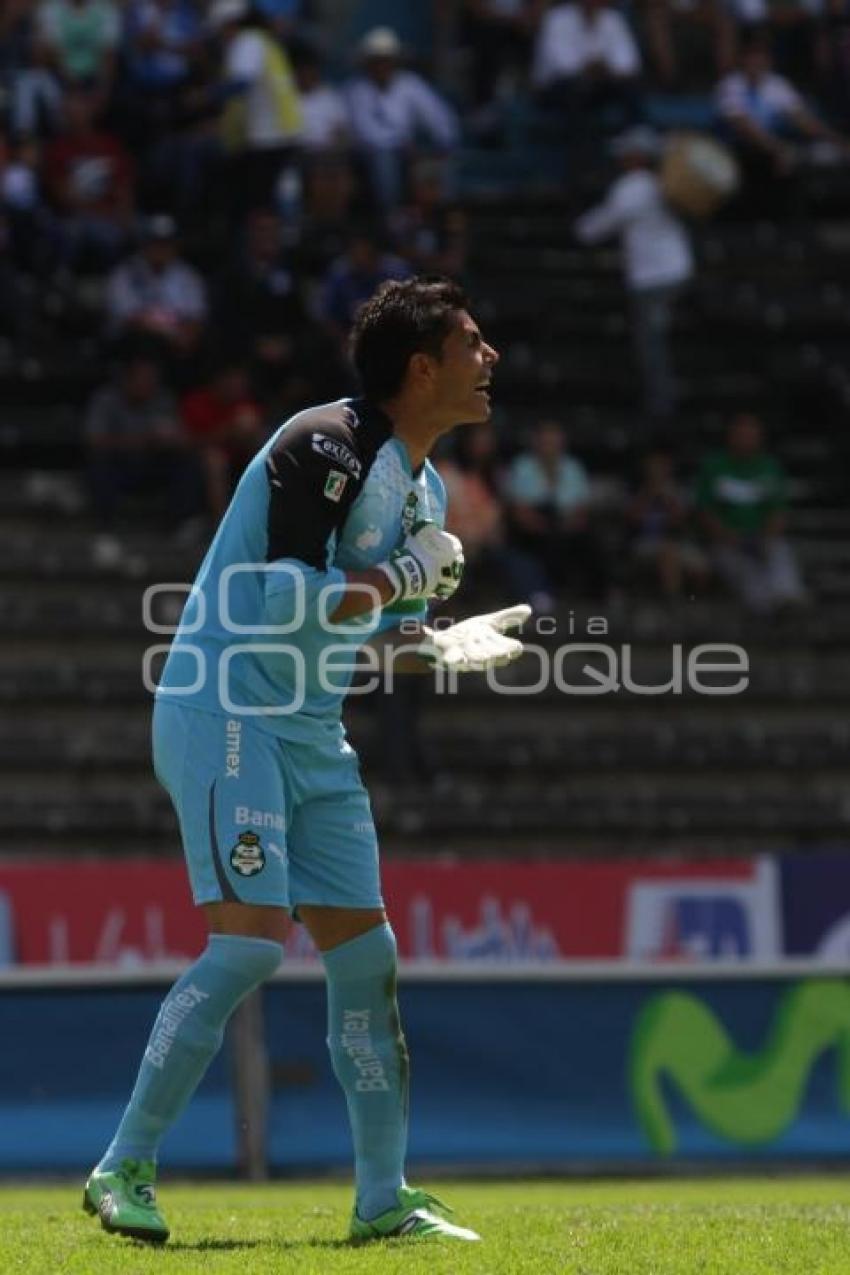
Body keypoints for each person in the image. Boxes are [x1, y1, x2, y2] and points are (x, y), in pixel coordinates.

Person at [82, 276, 529, 1244]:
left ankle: (381, 1200)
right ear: (422, 367)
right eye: (473, 343)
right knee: (247, 943)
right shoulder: (319, 443)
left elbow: (373, 624)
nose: (488, 359)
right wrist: (410, 574)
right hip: (227, 704)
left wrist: (435, 644)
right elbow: (283, 602)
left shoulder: (425, 488)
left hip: (309, 725)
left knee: (366, 959)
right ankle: (123, 1167)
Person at [574, 126, 694, 421]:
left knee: (651, 344)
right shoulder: (658, 183)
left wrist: (578, 229)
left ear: (637, 157)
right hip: (676, 271)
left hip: (655, 278)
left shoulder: (635, 185)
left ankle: (662, 407)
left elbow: (602, 224)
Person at [696, 411, 807, 612]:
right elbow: (705, 512)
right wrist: (731, 538)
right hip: (726, 542)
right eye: (741, 434)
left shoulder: (769, 467)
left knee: (780, 551)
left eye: (751, 435)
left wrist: (766, 538)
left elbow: (778, 511)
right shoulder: (714, 466)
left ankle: (788, 599)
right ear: (731, 436)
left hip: (762, 537)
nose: (746, 439)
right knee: (745, 568)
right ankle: (765, 610)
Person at [346, 27, 460, 212]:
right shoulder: (356, 90)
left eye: (386, 60)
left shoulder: (410, 84)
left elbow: (439, 117)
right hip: (371, 155)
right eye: (377, 60)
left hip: (408, 153)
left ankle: (442, 219)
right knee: (385, 161)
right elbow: (366, 133)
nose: (382, 66)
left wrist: (443, 145)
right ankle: (391, 217)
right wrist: (401, 145)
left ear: (394, 61)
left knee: (441, 164)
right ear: (367, 63)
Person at [504, 418, 608, 605]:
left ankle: (598, 597)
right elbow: (518, 510)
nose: (550, 446)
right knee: (544, 542)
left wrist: (566, 525)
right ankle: (543, 594)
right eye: (545, 442)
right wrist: (544, 525)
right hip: (533, 528)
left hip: (567, 525)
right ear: (536, 442)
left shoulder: (573, 468)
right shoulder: (522, 467)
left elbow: (583, 509)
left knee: (592, 541)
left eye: (554, 441)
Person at [532, 0, 643, 132]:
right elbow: (564, 67)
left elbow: (629, 64)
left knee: (631, 90)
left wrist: (602, 68)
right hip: (555, 88)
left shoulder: (613, 19)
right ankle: (581, 149)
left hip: (600, 84)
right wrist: (596, 67)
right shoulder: (557, 19)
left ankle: (636, 141)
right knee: (577, 90)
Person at [627, 446, 708, 596]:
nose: (657, 470)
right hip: (646, 541)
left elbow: (681, 522)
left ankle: (696, 600)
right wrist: (649, 495)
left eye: (662, 466)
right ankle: (673, 600)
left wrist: (667, 498)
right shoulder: (636, 489)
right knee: (668, 553)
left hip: (679, 541)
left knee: (701, 566)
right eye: (654, 466)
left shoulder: (679, 490)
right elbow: (632, 520)